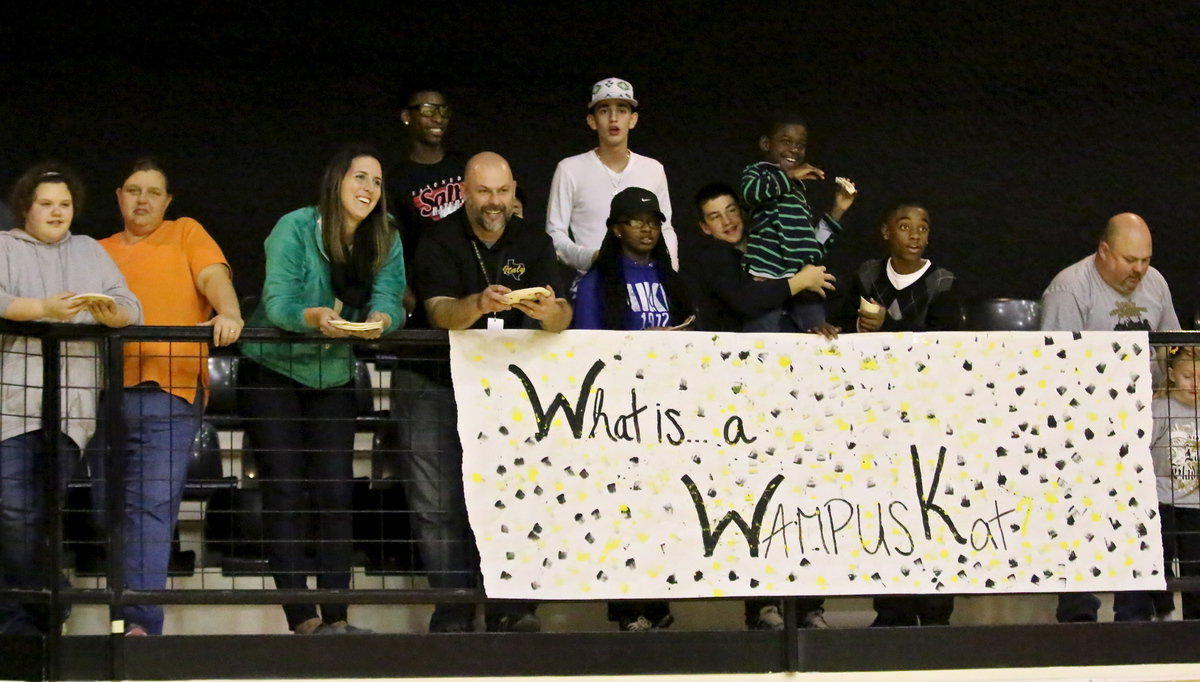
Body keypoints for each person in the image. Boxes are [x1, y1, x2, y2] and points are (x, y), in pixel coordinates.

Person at [239, 145, 406, 635]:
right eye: (359, 177)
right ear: (336, 182)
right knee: (286, 491)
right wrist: (312, 318)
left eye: (376, 181)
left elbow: (390, 295)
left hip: (332, 373)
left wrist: (384, 318)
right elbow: (278, 303)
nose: (368, 189)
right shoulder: (294, 226)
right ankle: (302, 617)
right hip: (273, 372)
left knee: (336, 493)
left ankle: (336, 615)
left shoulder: (385, 234)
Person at [414, 151, 571, 632]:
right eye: (483, 192)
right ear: (463, 192)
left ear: (514, 190)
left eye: (502, 192)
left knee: (515, 495)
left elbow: (564, 313)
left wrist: (549, 315)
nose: (494, 202)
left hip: (509, 387)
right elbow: (439, 313)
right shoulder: (438, 239)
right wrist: (478, 305)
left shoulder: (532, 240)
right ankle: (454, 610)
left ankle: (511, 606)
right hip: (435, 382)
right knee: (438, 506)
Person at [94, 158, 242, 636]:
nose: (142, 200)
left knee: (151, 508)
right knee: (107, 508)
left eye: (153, 192)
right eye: (133, 190)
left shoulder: (185, 233)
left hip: (170, 390)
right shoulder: (96, 250)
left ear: (168, 200)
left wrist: (229, 313)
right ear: (118, 196)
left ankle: (139, 625)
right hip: (105, 394)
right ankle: (122, 615)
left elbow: (213, 277)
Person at [679, 182, 835, 630]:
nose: (727, 220)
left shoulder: (766, 246)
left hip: (795, 386)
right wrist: (798, 281)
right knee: (758, 497)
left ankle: (809, 605)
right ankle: (764, 605)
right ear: (702, 227)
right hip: (744, 392)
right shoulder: (714, 258)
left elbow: (813, 282)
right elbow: (745, 301)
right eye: (715, 216)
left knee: (805, 492)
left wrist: (814, 319)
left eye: (732, 210)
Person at [0, 163, 141, 635]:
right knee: (14, 512)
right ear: (26, 207)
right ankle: (39, 609)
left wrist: (110, 312)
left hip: (72, 407)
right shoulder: (4, 246)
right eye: (47, 204)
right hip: (11, 406)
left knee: (44, 514)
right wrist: (41, 310)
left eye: (65, 204)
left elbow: (132, 308)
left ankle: (29, 622)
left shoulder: (88, 251)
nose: (57, 212)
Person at [1040, 212, 1181, 622]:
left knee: (1139, 517)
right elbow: (1053, 362)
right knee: (1079, 517)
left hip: (1142, 422)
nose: (1139, 270)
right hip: (1083, 423)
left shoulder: (1156, 284)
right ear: (1104, 251)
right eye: (1129, 260)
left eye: (1145, 260)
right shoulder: (1069, 288)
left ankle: (1134, 612)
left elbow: (1171, 344)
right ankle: (1078, 612)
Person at [834, 199, 961, 626]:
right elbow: (842, 324)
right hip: (878, 411)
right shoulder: (868, 275)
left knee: (933, 506)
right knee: (886, 506)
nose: (914, 235)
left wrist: (887, 329)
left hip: (929, 413)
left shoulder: (943, 283)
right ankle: (892, 607)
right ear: (886, 232)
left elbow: (943, 347)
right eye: (904, 227)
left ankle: (936, 608)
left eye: (922, 228)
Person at [570, 187, 687, 630]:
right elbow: (585, 353)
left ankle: (659, 606)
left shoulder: (670, 277)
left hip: (667, 414)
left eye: (654, 221)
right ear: (616, 229)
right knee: (621, 514)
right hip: (618, 416)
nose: (647, 228)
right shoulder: (598, 283)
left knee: (662, 513)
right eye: (637, 221)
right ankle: (626, 610)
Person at [545, 77, 678, 273]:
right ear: (592, 121)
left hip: (648, 281)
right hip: (593, 282)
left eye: (622, 110)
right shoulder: (570, 169)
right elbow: (554, 234)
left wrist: (669, 270)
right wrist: (593, 258)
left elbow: (665, 227)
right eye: (604, 110)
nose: (613, 118)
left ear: (633, 119)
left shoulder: (653, 169)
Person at [741, 114, 856, 333]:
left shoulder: (798, 191)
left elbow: (810, 246)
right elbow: (749, 194)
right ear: (766, 144)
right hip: (768, 280)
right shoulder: (757, 172)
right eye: (786, 141)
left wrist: (838, 209)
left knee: (818, 337)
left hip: (801, 282)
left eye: (801, 145)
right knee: (762, 344)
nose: (794, 149)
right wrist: (790, 175)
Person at [389, 87, 464, 324]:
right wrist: (403, 291)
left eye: (443, 110)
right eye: (428, 110)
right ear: (406, 116)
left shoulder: (464, 166)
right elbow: (390, 241)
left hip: (470, 286)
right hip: (424, 291)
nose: (438, 118)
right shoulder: (396, 180)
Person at [1149, 347, 1200, 621]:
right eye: (1187, 376)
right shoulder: (1159, 410)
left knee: (1195, 562)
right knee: (1162, 557)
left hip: (1195, 502)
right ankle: (1163, 611)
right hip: (1162, 499)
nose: (1194, 385)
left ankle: (1194, 618)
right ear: (1171, 375)